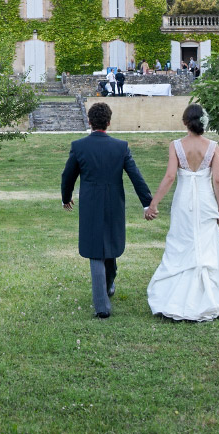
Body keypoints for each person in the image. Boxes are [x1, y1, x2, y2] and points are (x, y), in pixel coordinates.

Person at [144, 103, 219, 321]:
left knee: (182, 242)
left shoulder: (176, 145)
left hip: (183, 201)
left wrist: (154, 203)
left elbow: (170, 176)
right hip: (205, 200)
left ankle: (175, 298)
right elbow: (217, 179)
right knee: (205, 244)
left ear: (184, 122)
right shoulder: (212, 146)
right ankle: (213, 295)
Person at [61, 102, 153, 318]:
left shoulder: (79, 146)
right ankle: (102, 305)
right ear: (109, 123)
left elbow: (68, 176)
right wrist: (147, 203)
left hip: (91, 203)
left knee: (99, 248)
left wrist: (66, 198)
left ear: (90, 122)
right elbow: (136, 176)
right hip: (114, 203)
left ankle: (108, 286)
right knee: (103, 247)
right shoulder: (120, 147)